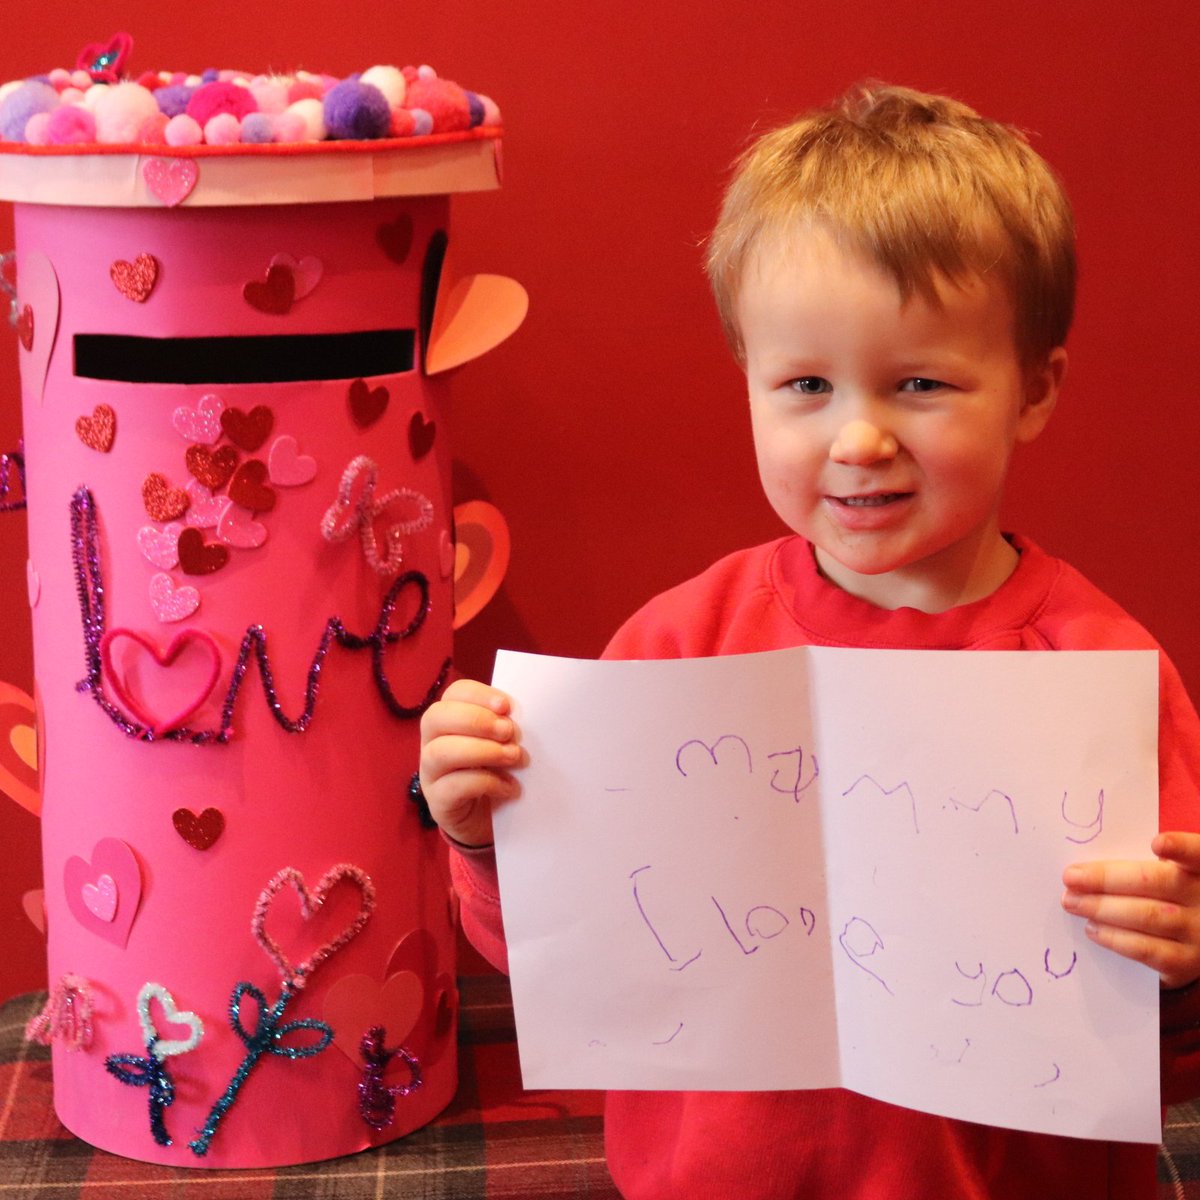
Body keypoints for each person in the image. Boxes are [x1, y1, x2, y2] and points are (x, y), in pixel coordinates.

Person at [419, 83, 1200, 1199]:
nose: (859, 436)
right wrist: (487, 838)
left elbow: (1166, 1056)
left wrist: (1183, 966)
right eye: (806, 385)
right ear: (749, 384)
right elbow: (572, 968)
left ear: (1034, 389)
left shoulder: (1100, 674)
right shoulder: (679, 648)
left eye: (919, 383)